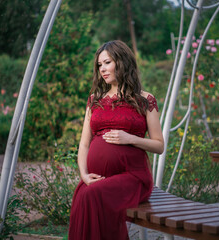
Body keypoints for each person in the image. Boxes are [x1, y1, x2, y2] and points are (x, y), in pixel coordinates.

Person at [68, 40, 164, 240]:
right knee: (85, 192)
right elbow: (84, 143)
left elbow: (159, 145)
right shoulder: (95, 99)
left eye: (107, 63)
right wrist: (84, 175)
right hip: (97, 179)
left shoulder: (145, 99)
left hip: (133, 177)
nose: (102, 69)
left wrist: (129, 138)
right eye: (99, 65)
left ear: (122, 62)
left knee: (89, 195)